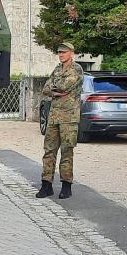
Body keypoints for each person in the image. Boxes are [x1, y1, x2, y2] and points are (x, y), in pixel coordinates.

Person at [36, 42, 84, 200]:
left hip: (69, 118)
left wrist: (55, 90)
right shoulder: (57, 69)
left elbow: (63, 87)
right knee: (49, 150)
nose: (61, 54)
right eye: (59, 52)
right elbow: (46, 89)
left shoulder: (76, 69)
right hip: (54, 116)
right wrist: (55, 91)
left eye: (64, 52)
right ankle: (46, 185)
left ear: (72, 53)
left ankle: (66, 185)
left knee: (67, 151)